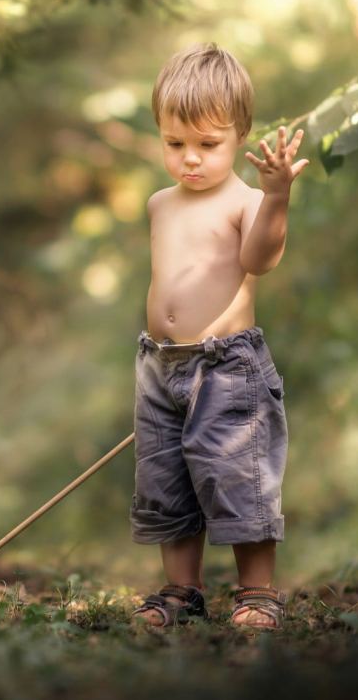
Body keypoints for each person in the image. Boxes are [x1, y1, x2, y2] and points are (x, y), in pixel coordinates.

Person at [129, 42, 308, 630]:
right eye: (174, 143)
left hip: (225, 367)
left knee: (237, 473)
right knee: (166, 479)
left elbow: (260, 259)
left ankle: (258, 593)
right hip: (161, 366)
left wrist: (277, 194)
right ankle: (181, 591)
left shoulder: (244, 200)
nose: (190, 160)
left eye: (208, 145)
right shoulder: (160, 204)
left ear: (239, 135)